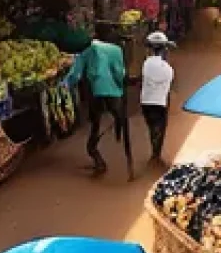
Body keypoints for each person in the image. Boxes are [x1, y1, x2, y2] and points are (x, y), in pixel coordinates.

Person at [66, 31, 133, 180]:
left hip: (95, 93)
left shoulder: (86, 51)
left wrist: (65, 87)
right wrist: (120, 87)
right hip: (113, 92)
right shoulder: (116, 50)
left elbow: (75, 75)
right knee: (121, 121)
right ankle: (129, 163)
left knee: (95, 125)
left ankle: (98, 159)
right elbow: (119, 73)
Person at [141, 32, 176, 165]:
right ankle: (156, 156)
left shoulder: (146, 64)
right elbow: (167, 88)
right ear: (164, 50)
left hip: (145, 102)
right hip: (160, 103)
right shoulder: (168, 69)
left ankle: (154, 154)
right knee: (160, 128)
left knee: (152, 128)